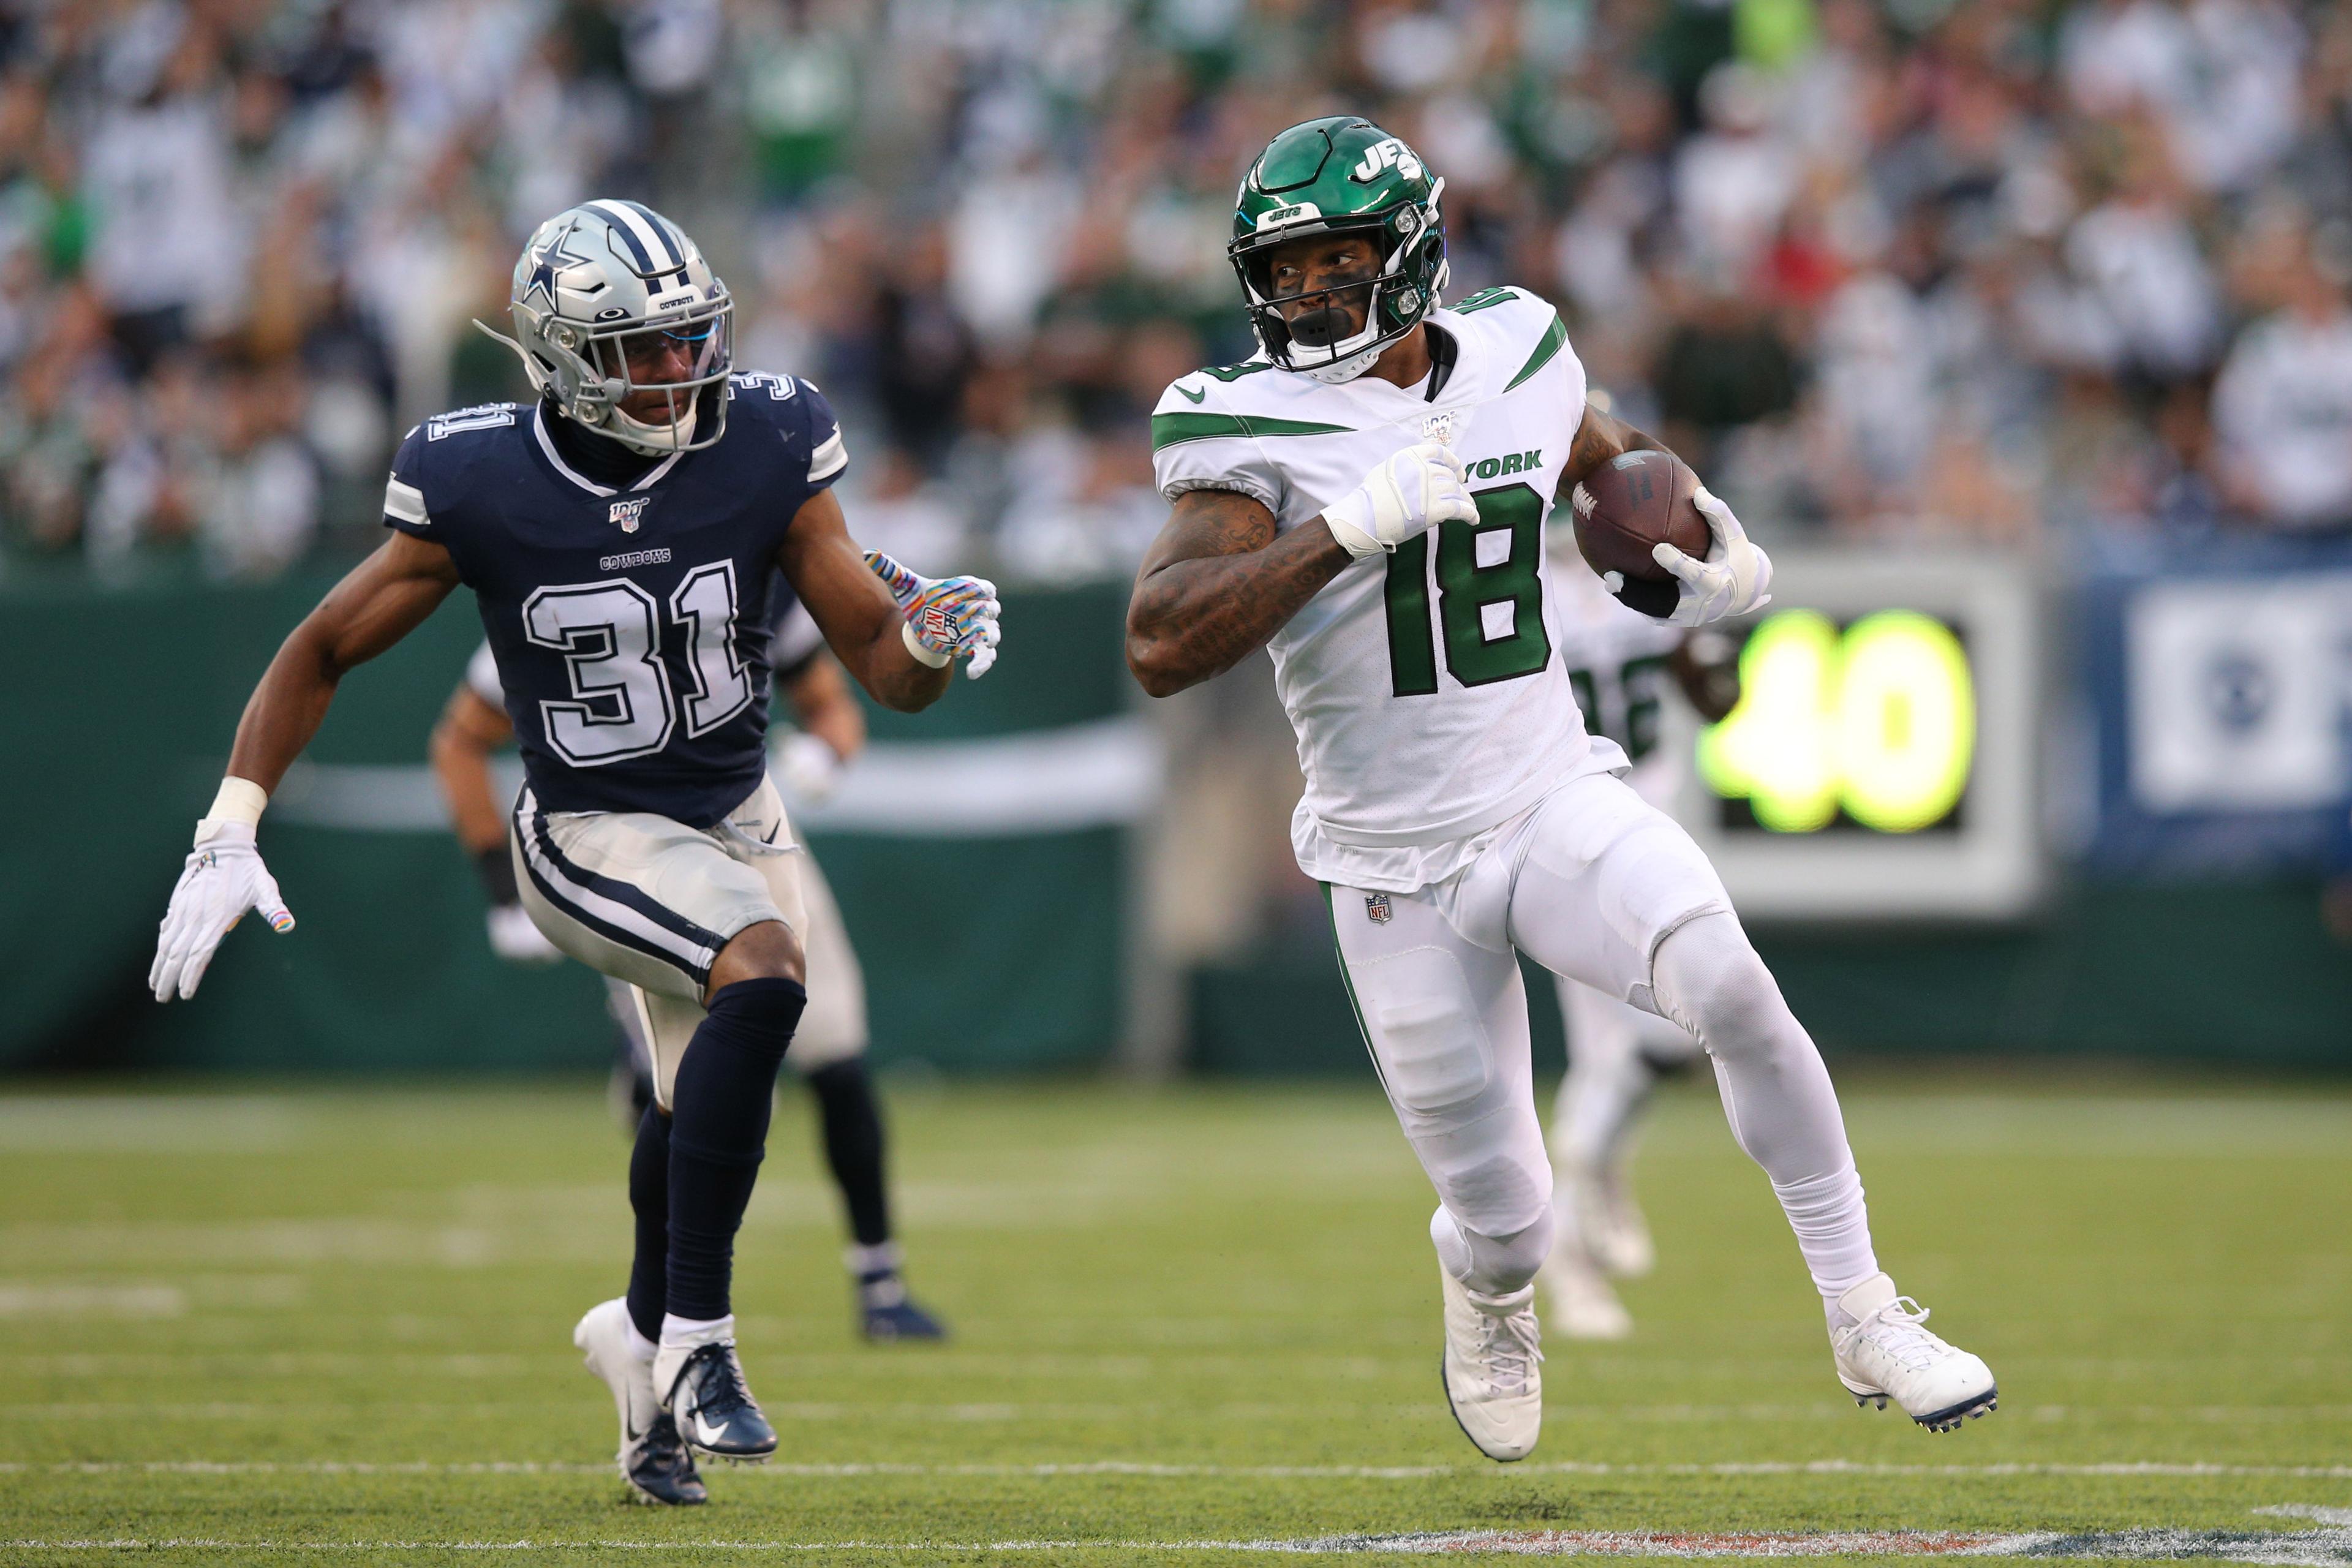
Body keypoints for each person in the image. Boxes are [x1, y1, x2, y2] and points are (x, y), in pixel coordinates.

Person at [1124, 119, 1994, 1464]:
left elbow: (1602, 454)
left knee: (1732, 982)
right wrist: (1341, 532)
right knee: (1511, 1215)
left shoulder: (1519, 344)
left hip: (1545, 792)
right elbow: (1162, 639)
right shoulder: (1243, 420)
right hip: (1388, 862)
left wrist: (1703, 530)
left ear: (1409, 255)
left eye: (1337, 259)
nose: (1307, 296)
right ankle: (1486, 1283)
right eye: (1285, 271)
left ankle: (1863, 1306)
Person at [147, 200, 1000, 1506]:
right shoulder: (480, 476)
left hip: (739, 814)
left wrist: (928, 647)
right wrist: (230, 824)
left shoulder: (769, 436)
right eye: (642, 351)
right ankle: (707, 1347)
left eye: (688, 339)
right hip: (588, 828)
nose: (679, 371)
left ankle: (641, 1366)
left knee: (691, 1100)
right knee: (766, 976)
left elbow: (883, 669)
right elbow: (321, 644)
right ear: (557, 355)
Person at [428, 601, 949, 1344]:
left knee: (835, 1048)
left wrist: (831, 750)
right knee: (676, 1095)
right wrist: (499, 887)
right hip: (621, 838)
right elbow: (460, 741)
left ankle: (878, 1283)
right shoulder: (560, 562)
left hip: (748, 823)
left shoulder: (761, 544)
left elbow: (836, 703)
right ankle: (668, 1323)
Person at [1536, 543, 1741, 1341]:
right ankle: (1574, 1272)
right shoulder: (1513, 582)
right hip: (1570, 830)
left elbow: (1717, 695)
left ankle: (1596, 1161)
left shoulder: (1634, 573)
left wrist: (1704, 624)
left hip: (1652, 832)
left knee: (1670, 1036)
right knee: (1620, 1052)